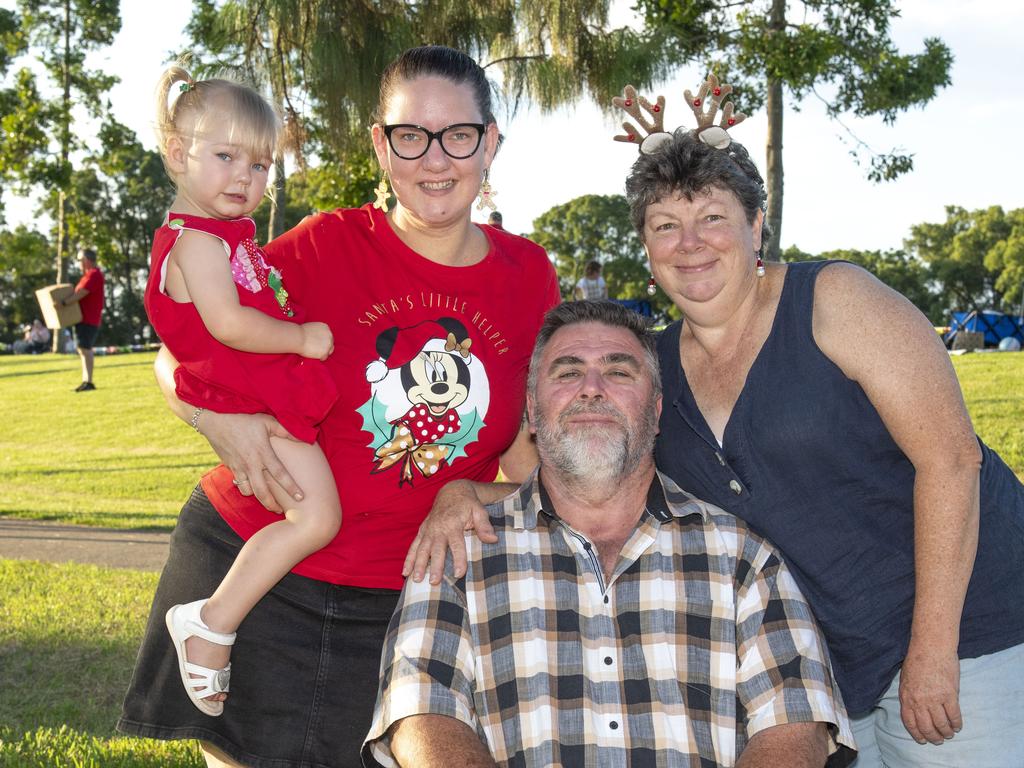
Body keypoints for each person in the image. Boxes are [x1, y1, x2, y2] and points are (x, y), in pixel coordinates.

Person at [404, 78, 1024, 768]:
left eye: (713, 218)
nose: (690, 243)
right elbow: (574, 484)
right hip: (834, 665)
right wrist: (460, 494)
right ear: (646, 245)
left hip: (967, 635)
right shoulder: (654, 369)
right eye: (666, 225)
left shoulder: (835, 302)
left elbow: (952, 460)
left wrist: (934, 651)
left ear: (757, 225)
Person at [117, 45, 560, 768]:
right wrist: (214, 419)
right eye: (410, 135)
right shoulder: (323, 245)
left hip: (407, 594)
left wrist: (473, 489)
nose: (435, 158)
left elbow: (522, 452)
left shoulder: (530, 276)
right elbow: (182, 346)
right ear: (381, 146)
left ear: (492, 143)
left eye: (459, 134)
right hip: (254, 567)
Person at [364, 301, 856, 767]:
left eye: (619, 371)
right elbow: (420, 716)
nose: (592, 388)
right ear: (532, 412)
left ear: (657, 411)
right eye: (568, 371)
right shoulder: (456, 553)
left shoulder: (742, 558)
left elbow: (796, 726)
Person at [142, 65, 342, 718]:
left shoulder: (222, 236)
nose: (243, 178)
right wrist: (302, 338)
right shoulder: (197, 242)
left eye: (259, 165)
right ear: (179, 154)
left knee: (310, 514)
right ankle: (211, 622)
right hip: (249, 402)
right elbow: (228, 324)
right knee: (316, 517)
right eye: (225, 157)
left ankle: (214, 621)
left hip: (257, 398)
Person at [60, 248, 105, 390]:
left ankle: (89, 381)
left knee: (85, 348)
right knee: (82, 349)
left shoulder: (94, 275)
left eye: (80, 259)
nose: (78, 262)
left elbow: (81, 293)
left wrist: (63, 303)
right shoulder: (86, 276)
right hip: (81, 318)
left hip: (89, 318)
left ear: (87, 260)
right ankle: (86, 381)